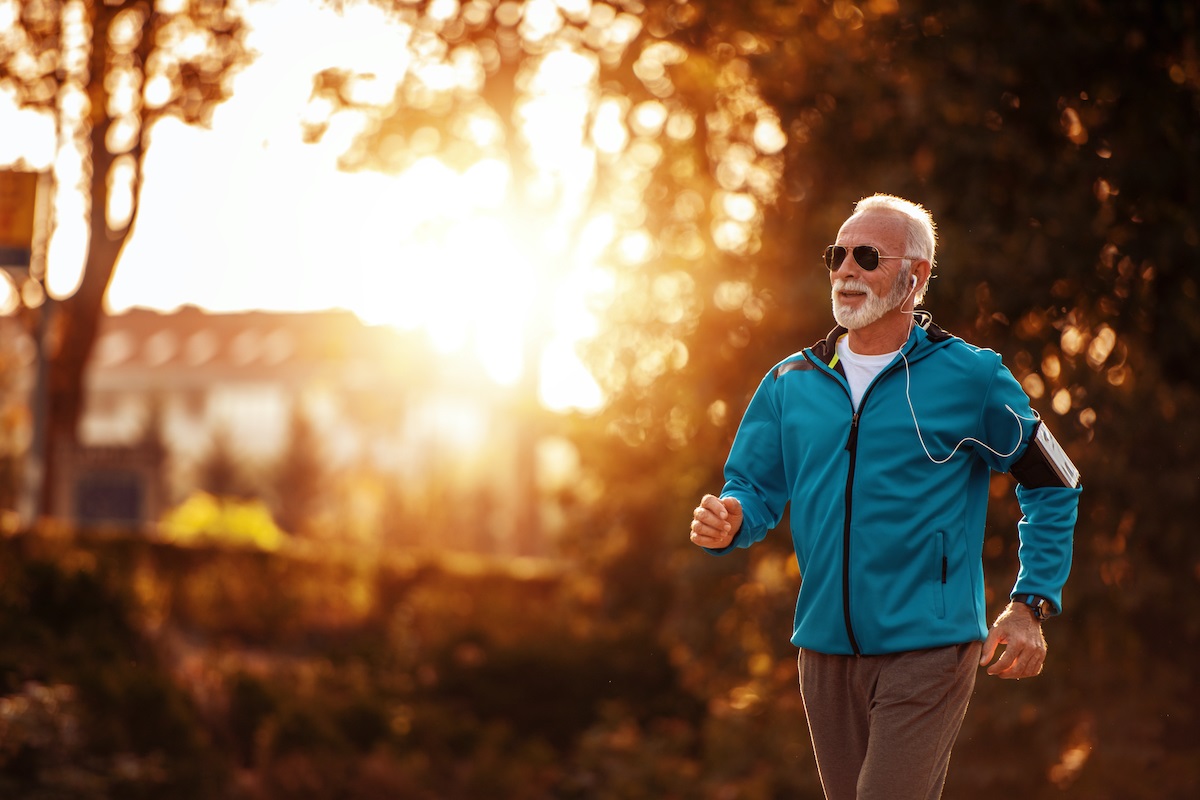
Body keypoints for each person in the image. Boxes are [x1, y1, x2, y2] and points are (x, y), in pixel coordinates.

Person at [688, 194, 1081, 800]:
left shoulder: (970, 377)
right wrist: (731, 519)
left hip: (929, 646)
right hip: (822, 651)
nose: (846, 269)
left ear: (915, 277)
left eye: (867, 256)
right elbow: (753, 488)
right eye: (836, 255)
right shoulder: (791, 381)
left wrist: (1032, 603)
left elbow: (1054, 480)